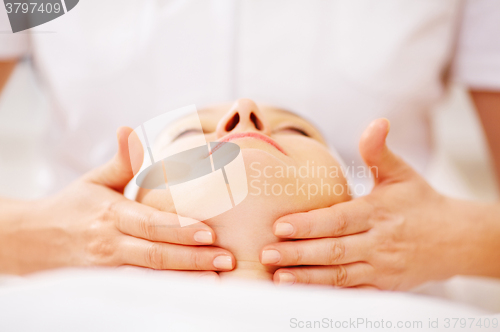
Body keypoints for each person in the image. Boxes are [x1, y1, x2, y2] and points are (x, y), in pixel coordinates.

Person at [0, 1, 499, 289]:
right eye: (189, 134)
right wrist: (27, 235)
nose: (244, 110)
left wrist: (462, 239)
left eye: (299, 131)